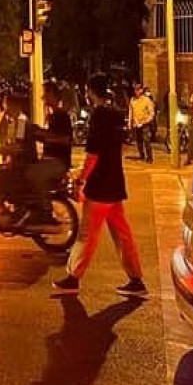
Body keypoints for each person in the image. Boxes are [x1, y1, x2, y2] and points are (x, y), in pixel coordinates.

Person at [53, 74, 148, 298]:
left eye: (87, 91)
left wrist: (81, 179)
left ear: (91, 91)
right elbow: (120, 146)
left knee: (87, 235)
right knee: (123, 234)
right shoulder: (116, 113)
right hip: (115, 183)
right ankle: (136, 279)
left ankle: (73, 277)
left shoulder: (98, 116)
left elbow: (93, 154)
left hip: (99, 186)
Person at [26, 82, 73, 225]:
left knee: (32, 174)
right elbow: (48, 137)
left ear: (52, 94)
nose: (42, 97)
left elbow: (65, 139)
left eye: (45, 93)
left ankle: (45, 211)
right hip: (49, 161)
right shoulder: (51, 116)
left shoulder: (61, 115)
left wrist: (43, 134)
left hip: (58, 163)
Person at [128, 83, 155, 163]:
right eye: (135, 90)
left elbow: (151, 112)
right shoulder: (132, 100)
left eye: (138, 90)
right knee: (139, 141)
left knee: (146, 140)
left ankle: (149, 157)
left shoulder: (146, 100)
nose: (136, 91)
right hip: (136, 124)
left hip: (145, 124)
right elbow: (131, 112)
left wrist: (147, 120)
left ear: (141, 90)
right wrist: (130, 123)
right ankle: (142, 155)